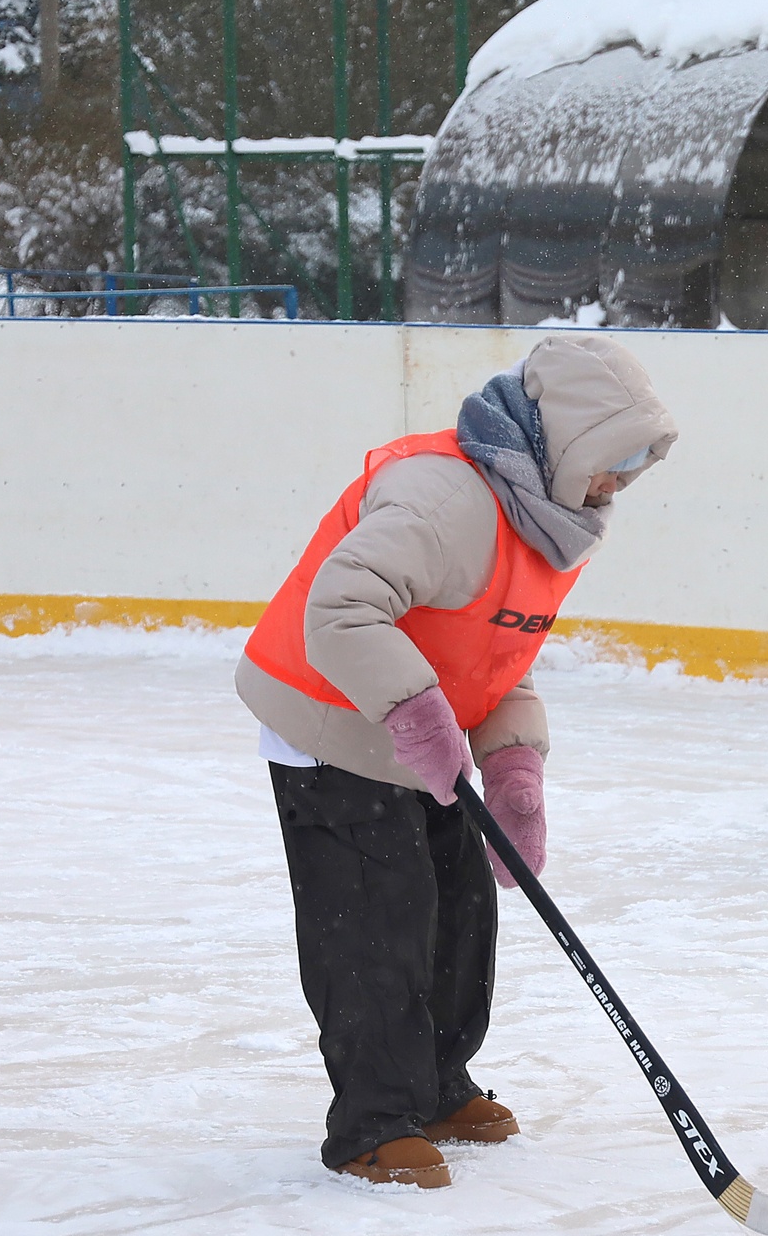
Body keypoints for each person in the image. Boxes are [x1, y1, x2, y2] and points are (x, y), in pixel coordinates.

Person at [238, 334, 678, 1188]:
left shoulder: (548, 518)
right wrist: (413, 711)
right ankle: (372, 1120)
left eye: (633, 467)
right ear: (571, 437)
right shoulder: (446, 497)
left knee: (461, 905)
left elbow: (489, 654)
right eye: (611, 461)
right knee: (377, 915)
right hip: (328, 716)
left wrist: (513, 764)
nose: (617, 485)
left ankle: (436, 1086)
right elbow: (339, 608)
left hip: (416, 726)